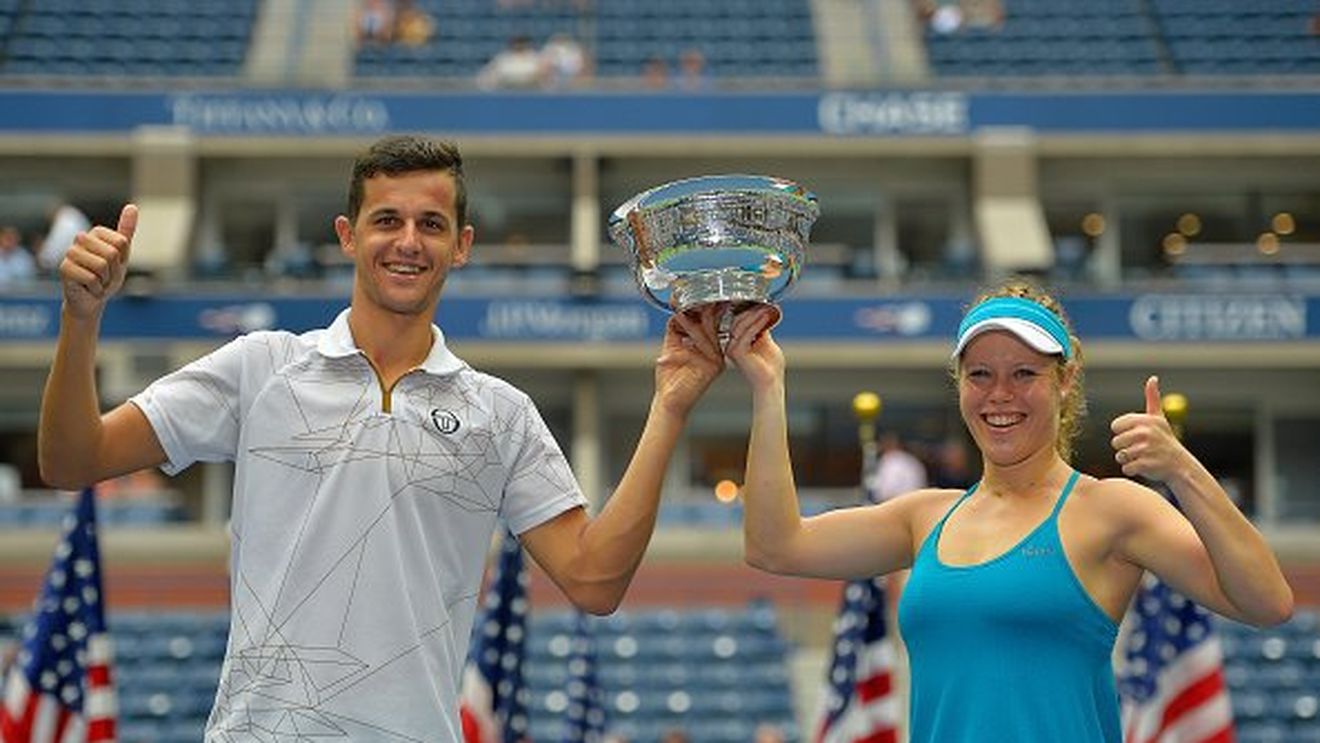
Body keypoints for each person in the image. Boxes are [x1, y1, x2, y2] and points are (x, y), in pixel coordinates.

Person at [39, 135, 729, 742]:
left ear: (461, 245)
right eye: (386, 221)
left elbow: (595, 579)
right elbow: (73, 459)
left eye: (431, 223)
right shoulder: (262, 367)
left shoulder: (501, 413)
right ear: (347, 234)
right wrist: (82, 320)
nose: (407, 241)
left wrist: (668, 408)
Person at [725, 277, 1293, 742]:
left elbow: (1267, 601)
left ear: (1065, 381)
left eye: (1025, 374)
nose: (1000, 395)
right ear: (960, 386)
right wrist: (768, 388)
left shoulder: (1110, 508)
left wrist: (1182, 470)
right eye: (981, 374)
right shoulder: (923, 518)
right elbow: (774, 546)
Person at [37, 200, 91, 273]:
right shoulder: (74, 216)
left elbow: (51, 254)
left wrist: (42, 258)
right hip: (84, 259)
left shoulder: (64, 220)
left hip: (74, 264)